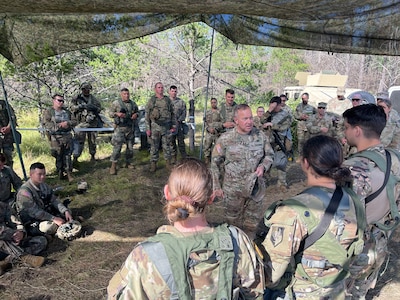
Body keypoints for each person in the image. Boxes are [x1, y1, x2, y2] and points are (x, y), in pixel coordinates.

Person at [107, 158, 264, 299]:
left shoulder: (144, 256)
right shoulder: (236, 240)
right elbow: (254, 293)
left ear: (167, 193)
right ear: (210, 198)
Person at [255, 135, 365, 299]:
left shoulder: (293, 209)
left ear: (305, 163)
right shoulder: (353, 200)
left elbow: (271, 274)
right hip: (337, 290)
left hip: (302, 292)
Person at [342, 104, 400, 298]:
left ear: (356, 130)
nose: (345, 132)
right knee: (361, 292)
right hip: (380, 243)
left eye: (346, 127)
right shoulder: (396, 158)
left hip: (355, 252)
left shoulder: (354, 169)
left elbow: (341, 219)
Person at [211, 104, 274, 234]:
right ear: (236, 121)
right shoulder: (225, 139)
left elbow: (269, 155)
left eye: (251, 118)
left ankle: (249, 247)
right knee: (233, 225)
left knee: (252, 224)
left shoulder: (260, 136)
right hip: (233, 191)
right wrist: (216, 186)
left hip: (255, 189)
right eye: (245, 119)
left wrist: (263, 166)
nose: (249, 122)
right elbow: (215, 163)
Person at [15, 162, 74, 238]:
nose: (42, 177)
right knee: (48, 227)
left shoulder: (43, 185)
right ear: (31, 174)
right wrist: (54, 219)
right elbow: (34, 212)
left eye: (44, 174)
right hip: (32, 221)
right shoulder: (24, 192)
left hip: (45, 214)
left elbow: (54, 200)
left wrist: (64, 210)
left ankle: (60, 226)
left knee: (67, 212)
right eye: (39, 174)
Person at [0, 201, 47, 274]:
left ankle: (6, 262)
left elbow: (14, 219)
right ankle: (24, 257)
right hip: (5, 243)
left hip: (11, 243)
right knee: (2, 241)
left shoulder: (2, 206)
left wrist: (20, 232)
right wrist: (12, 234)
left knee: (41, 241)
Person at [42, 94, 77, 182]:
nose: (61, 102)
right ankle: (60, 172)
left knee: (68, 155)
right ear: (54, 100)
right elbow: (46, 123)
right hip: (55, 137)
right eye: (59, 100)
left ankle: (68, 173)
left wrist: (67, 123)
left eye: (62, 101)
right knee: (57, 155)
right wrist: (59, 125)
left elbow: (74, 121)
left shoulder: (67, 112)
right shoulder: (49, 111)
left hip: (67, 136)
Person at [261, 96, 292, 191]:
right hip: (268, 142)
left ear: (279, 105)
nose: (274, 109)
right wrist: (269, 110)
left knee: (281, 163)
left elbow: (285, 126)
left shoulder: (285, 114)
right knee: (266, 162)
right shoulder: (269, 114)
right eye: (272, 106)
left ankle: (282, 183)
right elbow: (261, 120)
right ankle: (265, 181)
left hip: (280, 141)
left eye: (275, 106)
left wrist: (272, 125)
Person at [145, 82, 177, 172]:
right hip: (155, 126)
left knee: (167, 146)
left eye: (162, 87)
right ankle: (153, 164)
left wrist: (173, 125)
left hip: (166, 127)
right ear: (155, 89)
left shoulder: (167, 100)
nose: (161, 89)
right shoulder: (152, 100)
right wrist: (148, 129)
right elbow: (147, 115)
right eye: (159, 87)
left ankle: (168, 163)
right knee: (154, 147)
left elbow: (173, 114)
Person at [69, 82, 102, 163]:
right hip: (80, 123)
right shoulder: (77, 98)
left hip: (92, 123)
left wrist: (93, 108)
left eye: (88, 89)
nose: (86, 91)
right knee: (79, 141)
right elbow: (71, 108)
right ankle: (76, 158)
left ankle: (93, 156)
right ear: (82, 89)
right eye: (84, 89)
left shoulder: (93, 99)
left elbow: (99, 108)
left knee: (92, 141)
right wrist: (79, 107)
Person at [108, 88, 139, 175]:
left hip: (130, 128)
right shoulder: (116, 103)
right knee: (117, 148)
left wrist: (136, 115)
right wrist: (117, 114)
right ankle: (113, 165)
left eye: (128, 94)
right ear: (121, 94)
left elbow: (137, 112)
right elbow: (110, 113)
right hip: (120, 128)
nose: (126, 95)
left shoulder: (133, 103)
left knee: (130, 148)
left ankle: (128, 162)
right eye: (124, 94)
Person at [294, 92, 316, 158]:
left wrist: (309, 118)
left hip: (308, 126)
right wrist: (300, 117)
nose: (304, 99)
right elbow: (295, 115)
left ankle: (307, 154)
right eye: (303, 98)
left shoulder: (312, 107)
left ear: (308, 98)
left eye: (305, 98)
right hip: (300, 126)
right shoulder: (299, 106)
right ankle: (300, 155)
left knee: (307, 141)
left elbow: (316, 115)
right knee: (300, 141)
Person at [169, 85, 187, 163]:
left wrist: (179, 120)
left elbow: (184, 112)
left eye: (175, 91)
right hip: (169, 125)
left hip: (179, 125)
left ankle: (184, 157)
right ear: (169, 92)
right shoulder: (166, 102)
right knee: (171, 142)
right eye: (172, 91)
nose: (174, 93)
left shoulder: (181, 102)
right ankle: (173, 157)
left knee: (181, 142)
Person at [203, 97, 223, 165]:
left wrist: (217, 129)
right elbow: (205, 123)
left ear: (216, 103)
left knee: (218, 148)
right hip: (209, 133)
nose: (213, 104)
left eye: (215, 102)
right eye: (212, 102)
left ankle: (217, 162)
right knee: (207, 148)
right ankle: (207, 162)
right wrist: (208, 128)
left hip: (217, 133)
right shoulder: (207, 112)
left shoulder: (220, 112)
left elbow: (222, 122)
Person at [0, 99, 18, 168]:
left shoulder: (4, 104)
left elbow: (12, 117)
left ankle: (9, 175)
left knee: (7, 157)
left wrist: (9, 127)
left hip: (7, 136)